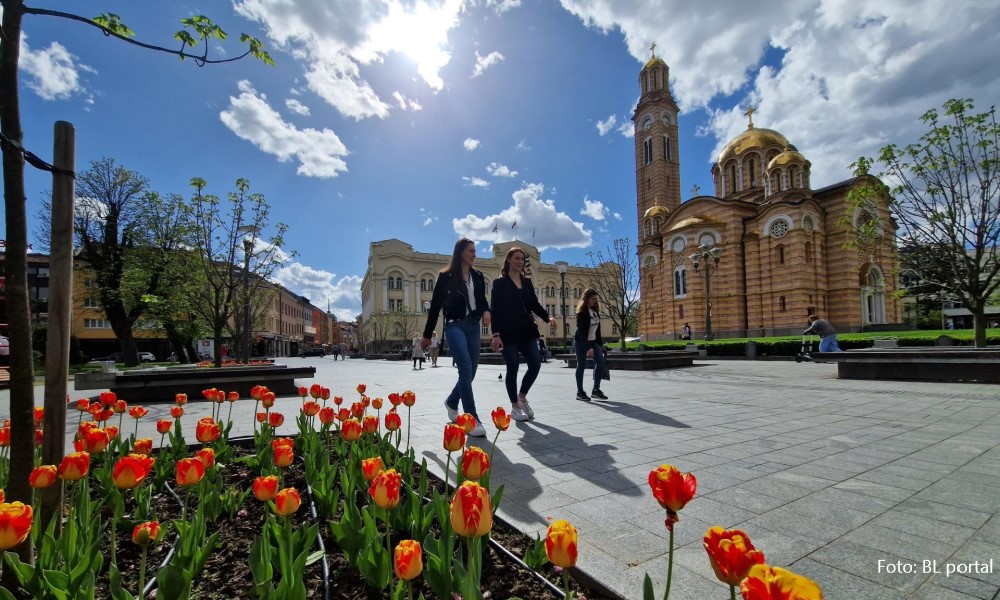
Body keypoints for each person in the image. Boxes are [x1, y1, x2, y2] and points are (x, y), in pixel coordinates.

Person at [421, 238, 492, 436]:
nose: (474, 254)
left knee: (472, 371)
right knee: (466, 369)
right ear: (461, 252)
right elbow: (435, 306)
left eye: (475, 250)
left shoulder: (478, 276)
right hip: (454, 326)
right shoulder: (446, 276)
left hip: (473, 326)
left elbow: (482, 300)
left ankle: (452, 401)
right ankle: (472, 419)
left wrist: (486, 311)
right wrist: (427, 335)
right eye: (471, 250)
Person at [489, 247, 557, 422]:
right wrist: (496, 334)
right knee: (513, 368)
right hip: (507, 333)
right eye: (517, 258)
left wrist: (548, 317)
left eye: (522, 259)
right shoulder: (500, 283)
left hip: (526, 331)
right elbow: (495, 310)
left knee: (535, 363)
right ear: (509, 260)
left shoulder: (526, 283)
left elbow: (534, 304)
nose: (520, 262)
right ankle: (514, 407)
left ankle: (522, 397)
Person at [573, 288, 608, 401]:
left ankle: (596, 390)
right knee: (581, 365)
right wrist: (588, 348)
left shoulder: (595, 310)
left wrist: (600, 345)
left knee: (601, 361)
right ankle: (580, 392)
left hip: (593, 341)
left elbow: (597, 330)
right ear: (587, 298)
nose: (594, 301)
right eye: (592, 298)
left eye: (595, 298)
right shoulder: (581, 312)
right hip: (581, 342)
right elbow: (580, 331)